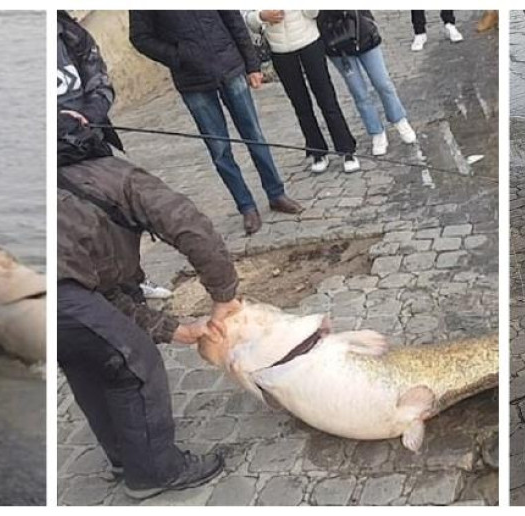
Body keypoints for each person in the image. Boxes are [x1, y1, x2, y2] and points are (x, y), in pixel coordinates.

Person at [57, 11, 240, 499]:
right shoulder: (119, 178)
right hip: (55, 293)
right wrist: (224, 299)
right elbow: (191, 226)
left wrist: (174, 329)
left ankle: (125, 457)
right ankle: (155, 473)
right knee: (134, 361)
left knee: (88, 359)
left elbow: (101, 302)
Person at [129, 10, 303, 236]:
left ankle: (276, 193)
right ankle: (246, 206)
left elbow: (234, 20)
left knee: (255, 136)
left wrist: (252, 64)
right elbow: (141, 37)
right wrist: (178, 55)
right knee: (219, 149)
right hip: (192, 79)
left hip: (229, 66)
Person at [245, 10, 360, 174]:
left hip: (309, 42)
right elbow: (248, 16)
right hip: (280, 49)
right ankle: (317, 150)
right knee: (300, 105)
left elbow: (314, 13)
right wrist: (261, 17)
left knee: (327, 98)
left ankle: (346, 149)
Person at [317, 10, 417, 157]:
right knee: (359, 93)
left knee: (382, 83)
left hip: (362, 33)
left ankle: (399, 119)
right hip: (336, 39)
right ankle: (376, 131)